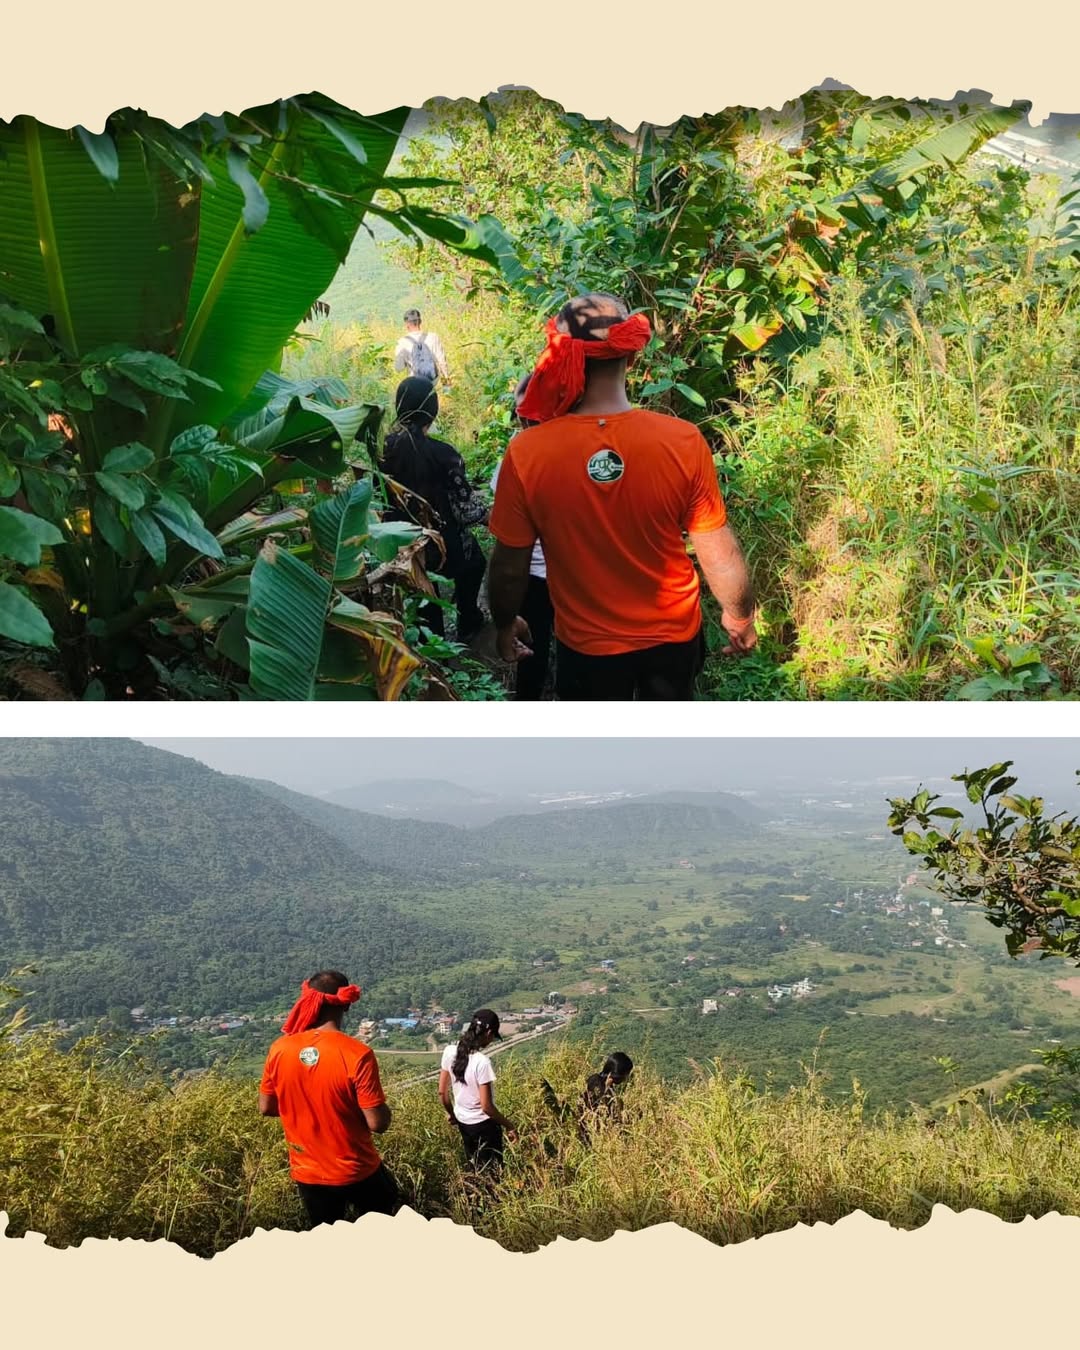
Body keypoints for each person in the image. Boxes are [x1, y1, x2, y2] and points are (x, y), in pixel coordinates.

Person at [487, 292, 758, 701]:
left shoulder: (527, 453)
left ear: (559, 358)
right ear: (630, 358)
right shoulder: (682, 440)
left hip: (587, 649)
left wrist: (505, 624)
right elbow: (718, 551)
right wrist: (739, 616)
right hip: (673, 639)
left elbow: (509, 567)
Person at [258, 970, 400, 1228]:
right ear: (345, 1003)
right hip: (357, 1171)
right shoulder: (357, 1053)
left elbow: (266, 1107)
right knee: (385, 1235)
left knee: (326, 1246)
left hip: (308, 1173)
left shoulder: (280, 1048)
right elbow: (378, 1124)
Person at [380, 376, 488, 641]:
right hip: (444, 546)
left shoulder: (383, 451)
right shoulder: (445, 454)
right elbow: (466, 510)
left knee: (427, 599)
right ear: (433, 410)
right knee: (475, 563)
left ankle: (435, 654)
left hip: (401, 543)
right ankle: (468, 620)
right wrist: (488, 514)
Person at [489, 374, 554, 700]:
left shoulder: (513, 460)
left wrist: (502, 620)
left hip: (534, 573)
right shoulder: (577, 453)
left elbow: (505, 542)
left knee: (533, 647)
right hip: (562, 572)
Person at [439, 1008, 517, 1172]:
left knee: (474, 1165)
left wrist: (452, 1114)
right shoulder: (482, 1062)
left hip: (463, 1122)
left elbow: (442, 1093)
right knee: (493, 1171)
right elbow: (486, 1107)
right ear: (488, 1032)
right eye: (493, 1037)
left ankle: (475, 1194)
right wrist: (509, 1125)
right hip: (484, 1126)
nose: (491, 1041)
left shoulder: (449, 1051)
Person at [541, 1051, 634, 1143]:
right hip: (586, 1130)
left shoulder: (600, 1081)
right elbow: (598, 1108)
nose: (626, 1078)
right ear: (616, 1074)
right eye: (625, 1075)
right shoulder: (597, 1083)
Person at [394, 308, 449, 386]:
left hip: (414, 382)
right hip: (433, 381)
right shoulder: (433, 337)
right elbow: (442, 361)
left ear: (407, 324)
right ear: (420, 322)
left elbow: (399, 368)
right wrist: (446, 383)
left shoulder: (402, 342)